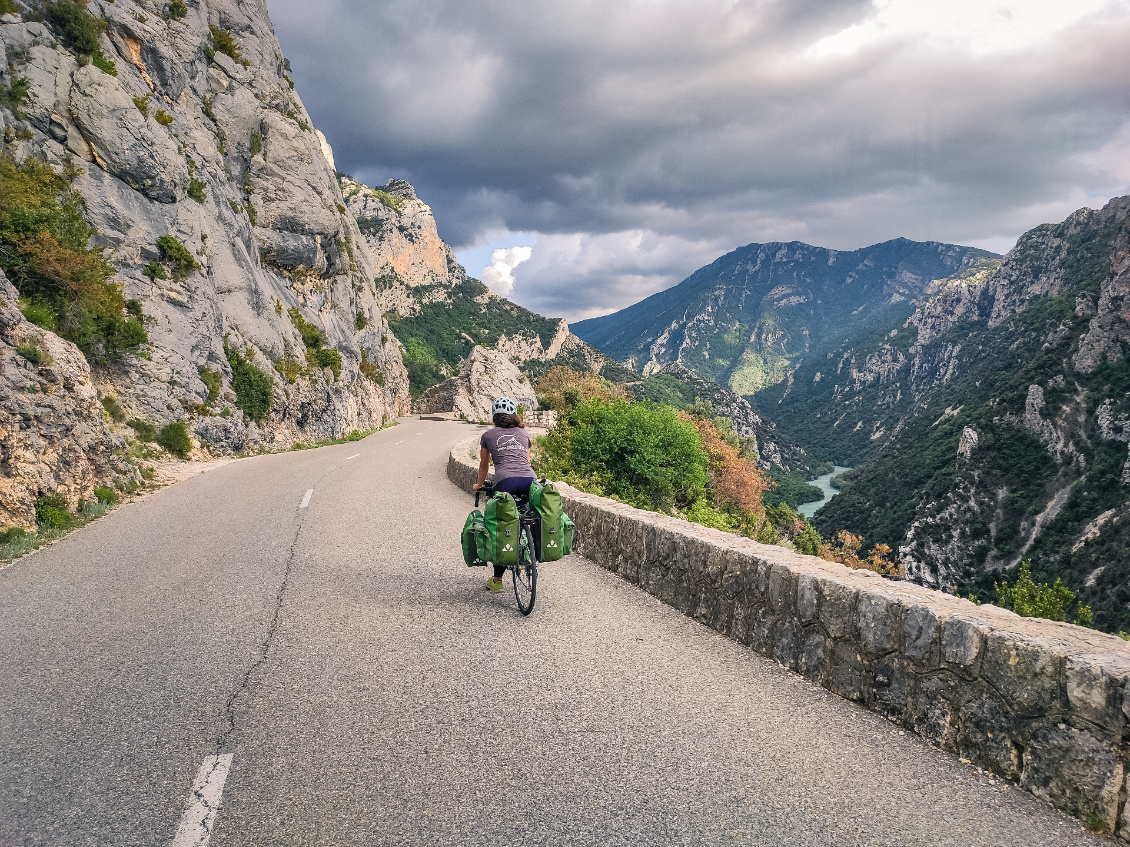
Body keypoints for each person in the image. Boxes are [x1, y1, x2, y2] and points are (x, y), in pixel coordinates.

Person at [474, 396, 536, 593]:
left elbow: (484, 465)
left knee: (500, 527)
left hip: (505, 482)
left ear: (495, 416)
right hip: (530, 481)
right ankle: (529, 549)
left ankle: (497, 580)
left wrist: (479, 485)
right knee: (527, 515)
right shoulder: (523, 434)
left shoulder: (488, 435)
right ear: (513, 416)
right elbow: (526, 462)